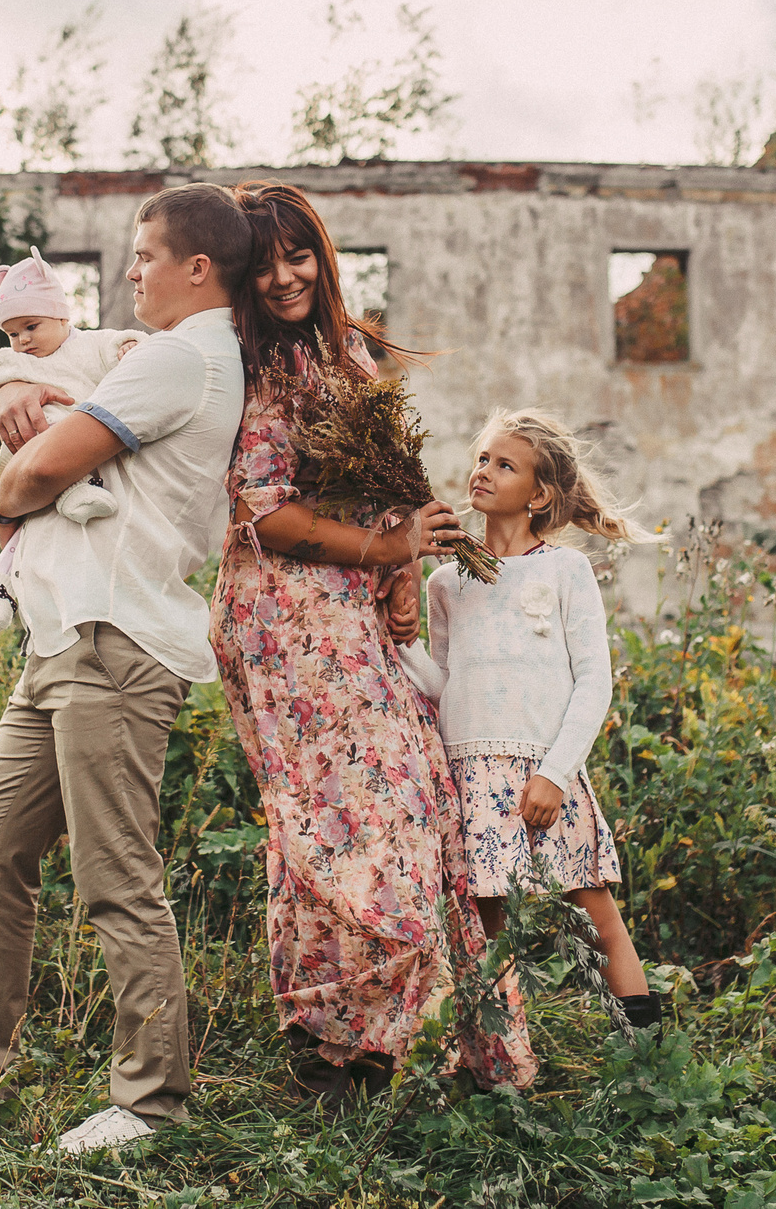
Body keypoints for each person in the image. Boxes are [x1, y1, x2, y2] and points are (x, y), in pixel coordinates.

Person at [0, 183, 252, 1157]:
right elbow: (37, 437)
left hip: (114, 639)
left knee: (116, 874)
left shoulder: (183, 356)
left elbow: (35, 472)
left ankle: (151, 1101)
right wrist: (22, 403)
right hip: (64, 634)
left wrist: (16, 466)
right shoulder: (167, 356)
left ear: (198, 268)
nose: (131, 272)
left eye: (145, 255)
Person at [207, 181, 535, 1106]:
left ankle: (404, 1034)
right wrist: (383, 549)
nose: (284, 276)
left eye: (299, 254)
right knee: (334, 817)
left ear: (324, 255)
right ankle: (333, 1045)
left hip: (351, 611)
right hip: (282, 619)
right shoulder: (245, 366)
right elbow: (266, 514)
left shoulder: (347, 352)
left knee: (410, 799)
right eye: (263, 263)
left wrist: (403, 560)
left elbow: (386, 482)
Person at [395, 409, 662, 1030]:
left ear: (539, 495)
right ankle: (502, 1058)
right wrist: (404, 644)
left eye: (504, 465)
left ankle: (647, 1056)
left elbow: (594, 682)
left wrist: (555, 774)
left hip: (543, 774)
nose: (483, 471)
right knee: (487, 928)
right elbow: (445, 686)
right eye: (482, 459)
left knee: (596, 917)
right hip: (471, 776)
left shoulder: (565, 571)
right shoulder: (446, 581)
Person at [0, 246, 142, 629]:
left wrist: (130, 347)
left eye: (31, 326)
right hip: (25, 455)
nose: (22, 340)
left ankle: (6, 584)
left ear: (62, 316)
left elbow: (119, 344)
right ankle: (2, 583)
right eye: (12, 333)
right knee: (25, 529)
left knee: (35, 530)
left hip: (78, 450)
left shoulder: (89, 345)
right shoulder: (12, 363)